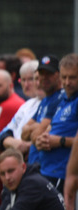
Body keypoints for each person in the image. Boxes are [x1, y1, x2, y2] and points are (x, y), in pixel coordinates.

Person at [33, 53, 78, 189]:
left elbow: (60, 139)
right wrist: (42, 140)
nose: (67, 82)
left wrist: (59, 141)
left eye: (72, 77)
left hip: (63, 175)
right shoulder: (62, 100)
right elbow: (48, 130)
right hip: (47, 171)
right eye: (64, 77)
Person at [0, 60, 42, 158]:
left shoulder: (51, 103)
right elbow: (3, 135)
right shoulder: (26, 105)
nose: (26, 84)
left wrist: (26, 146)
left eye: (30, 79)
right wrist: (14, 143)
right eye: (23, 80)